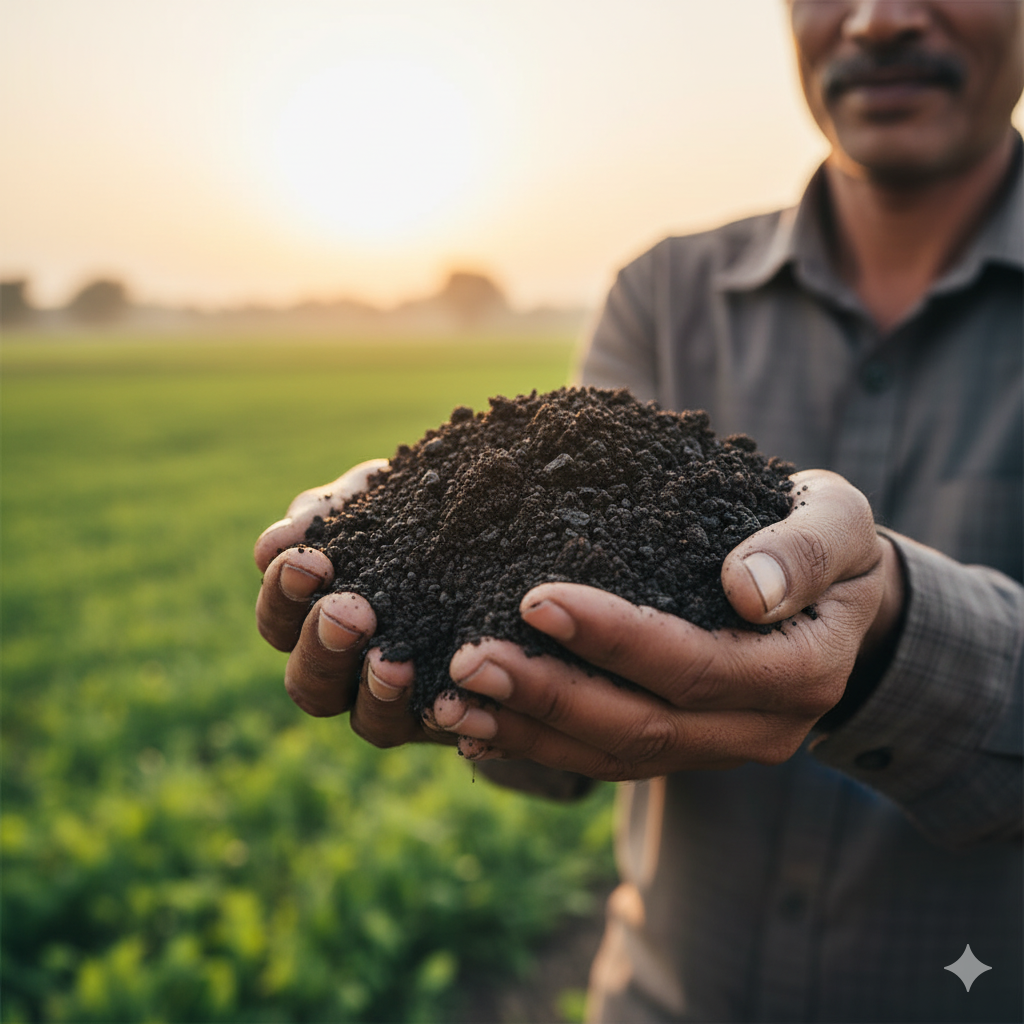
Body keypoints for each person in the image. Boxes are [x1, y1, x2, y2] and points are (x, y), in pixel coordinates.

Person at [254, 1, 1023, 1020]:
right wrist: (463, 664)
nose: (877, 20)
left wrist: (886, 637)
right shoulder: (666, 292)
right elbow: (556, 663)